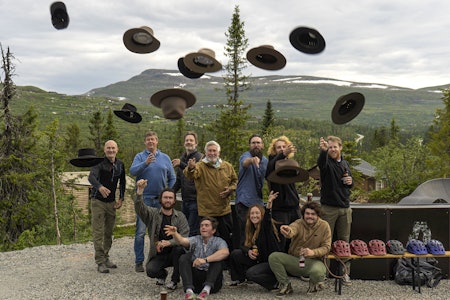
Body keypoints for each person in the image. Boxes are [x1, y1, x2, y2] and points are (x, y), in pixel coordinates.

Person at [130, 130, 176, 272]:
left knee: (159, 231)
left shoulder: (165, 158)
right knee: (140, 232)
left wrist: (168, 192)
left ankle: (159, 258)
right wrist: (145, 163)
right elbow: (132, 171)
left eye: (153, 139)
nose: (151, 141)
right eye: (148, 139)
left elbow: (172, 177)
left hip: (160, 200)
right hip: (144, 199)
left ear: (157, 141)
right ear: (145, 142)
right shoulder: (140, 156)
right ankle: (139, 261)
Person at [133, 179, 189, 291]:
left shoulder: (180, 216)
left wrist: (169, 242)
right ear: (161, 199)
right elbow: (140, 209)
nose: (168, 200)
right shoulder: (153, 214)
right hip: (159, 254)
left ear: (174, 201)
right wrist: (140, 190)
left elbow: (185, 237)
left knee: (179, 250)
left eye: (170, 198)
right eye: (165, 197)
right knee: (150, 270)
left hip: (175, 252)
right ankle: (162, 275)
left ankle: (174, 280)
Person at [268, 201, 332, 297]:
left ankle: (313, 284)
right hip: (296, 260)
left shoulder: (324, 226)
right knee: (274, 257)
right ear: (303, 214)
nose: (309, 216)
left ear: (318, 215)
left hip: (314, 262)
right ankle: (285, 285)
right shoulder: (298, 223)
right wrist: (287, 230)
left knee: (318, 272)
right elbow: (292, 229)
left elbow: (326, 247)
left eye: (313, 214)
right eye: (307, 213)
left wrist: (313, 252)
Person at [184, 140, 237, 252]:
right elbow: (190, 175)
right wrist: (190, 167)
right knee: (207, 240)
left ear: (219, 152)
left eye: (214, 151)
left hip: (224, 210)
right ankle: (207, 262)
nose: (212, 153)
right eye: (209, 151)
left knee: (226, 237)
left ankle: (226, 262)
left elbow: (235, 180)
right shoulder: (200, 166)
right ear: (205, 152)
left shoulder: (227, 166)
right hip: (207, 212)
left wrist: (231, 189)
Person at [164, 217, 230, 300]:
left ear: (213, 230)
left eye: (206, 225)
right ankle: (189, 291)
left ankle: (206, 291)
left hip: (213, 283)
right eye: (201, 225)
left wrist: (205, 260)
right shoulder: (196, 239)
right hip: (195, 282)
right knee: (184, 258)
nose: (203, 227)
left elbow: (225, 252)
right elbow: (182, 241)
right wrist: (175, 234)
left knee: (218, 260)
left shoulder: (219, 241)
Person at [229, 191, 282, 291]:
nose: (254, 216)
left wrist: (269, 204)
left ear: (262, 215)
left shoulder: (265, 228)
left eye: (257, 213)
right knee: (236, 253)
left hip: (270, 262)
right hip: (258, 259)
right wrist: (247, 251)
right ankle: (240, 280)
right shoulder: (249, 229)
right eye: (252, 213)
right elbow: (241, 244)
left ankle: (274, 283)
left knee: (251, 273)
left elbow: (267, 220)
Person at [318, 135, 353, 284]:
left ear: (340, 148)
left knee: (344, 243)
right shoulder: (326, 163)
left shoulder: (344, 163)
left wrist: (351, 182)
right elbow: (321, 163)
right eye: (330, 147)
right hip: (329, 208)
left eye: (335, 147)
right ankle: (323, 273)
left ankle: (345, 273)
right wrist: (322, 152)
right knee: (326, 242)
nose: (333, 149)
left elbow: (348, 183)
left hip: (345, 208)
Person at [88, 140, 126, 273]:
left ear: (117, 149)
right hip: (98, 201)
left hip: (111, 202)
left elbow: (122, 183)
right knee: (98, 232)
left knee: (108, 232)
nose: (111, 150)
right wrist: (99, 186)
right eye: (108, 148)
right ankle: (99, 261)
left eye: (113, 148)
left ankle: (106, 256)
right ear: (105, 150)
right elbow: (91, 177)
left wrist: (121, 198)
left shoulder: (120, 165)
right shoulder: (98, 163)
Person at [265, 135, 300, 250]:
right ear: (274, 150)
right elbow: (269, 171)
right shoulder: (272, 163)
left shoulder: (289, 163)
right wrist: (282, 154)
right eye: (278, 147)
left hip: (294, 208)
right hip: (280, 209)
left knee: (296, 239)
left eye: (284, 146)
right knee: (280, 240)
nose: (281, 149)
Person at [235, 134, 268, 245]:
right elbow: (245, 163)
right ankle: (243, 255)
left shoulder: (265, 161)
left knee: (259, 233)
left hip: (258, 203)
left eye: (258, 143)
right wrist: (252, 160)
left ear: (262, 145)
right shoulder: (246, 156)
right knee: (245, 233)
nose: (256, 145)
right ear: (250, 145)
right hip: (244, 202)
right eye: (253, 143)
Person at [172, 131, 203, 236]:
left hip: (196, 200)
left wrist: (181, 164)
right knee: (184, 229)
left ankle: (194, 252)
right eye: (187, 140)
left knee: (193, 230)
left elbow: (195, 173)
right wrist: (170, 193)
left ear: (196, 143)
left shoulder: (200, 158)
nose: (189, 142)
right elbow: (179, 181)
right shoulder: (182, 158)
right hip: (185, 200)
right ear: (184, 143)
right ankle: (186, 250)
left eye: (191, 140)